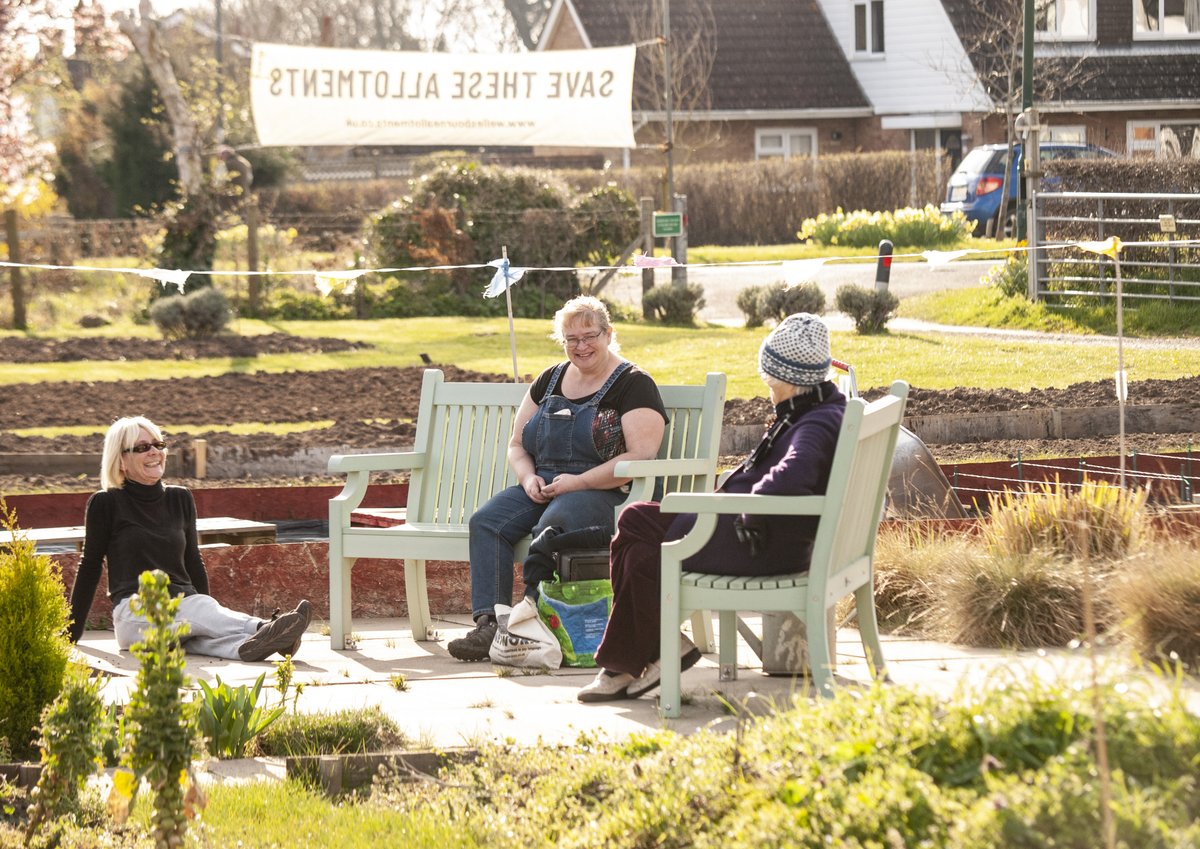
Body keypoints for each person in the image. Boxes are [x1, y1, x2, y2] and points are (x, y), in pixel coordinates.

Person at [578, 313, 847, 702]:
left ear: (789, 379)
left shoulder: (814, 424)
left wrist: (745, 506)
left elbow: (792, 477)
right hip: (758, 532)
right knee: (637, 528)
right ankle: (644, 656)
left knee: (638, 530)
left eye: (770, 379)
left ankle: (634, 661)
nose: (767, 387)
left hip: (756, 540)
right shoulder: (821, 410)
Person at [447, 296, 668, 661]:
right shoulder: (549, 379)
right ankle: (490, 624)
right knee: (487, 522)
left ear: (608, 333)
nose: (581, 346)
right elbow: (517, 444)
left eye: (589, 336)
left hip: (609, 490)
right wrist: (527, 476)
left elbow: (640, 457)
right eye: (571, 339)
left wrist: (578, 483)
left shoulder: (633, 384)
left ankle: (529, 626)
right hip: (547, 484)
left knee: (554, 524)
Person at [68, 416, 312, 661]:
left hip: (184, 612)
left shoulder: (180, 498)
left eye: (158, 444)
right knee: (197, 611)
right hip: (136, 615)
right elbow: (89, 566)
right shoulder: (106, 503)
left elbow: (193, 560)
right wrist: (70, 634)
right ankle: (264, 627)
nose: (154, 452)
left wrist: (207, 611)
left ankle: (258, 646)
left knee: (202, 630)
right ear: (121, 461)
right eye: (142, 448)